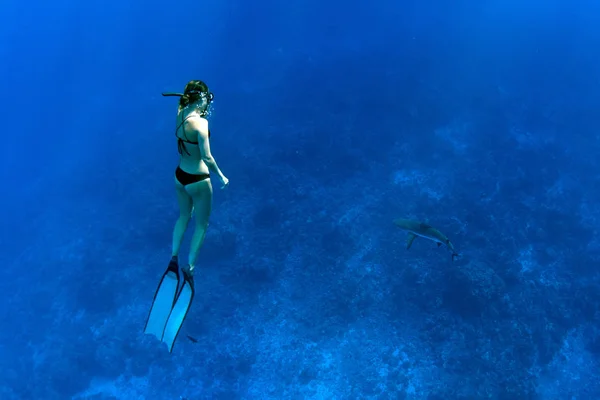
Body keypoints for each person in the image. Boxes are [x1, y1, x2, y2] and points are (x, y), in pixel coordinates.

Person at [144, 80, 229, 352]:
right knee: (202, 224)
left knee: (183, 217)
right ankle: (189, 269)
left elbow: (188, 112)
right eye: (207, 98)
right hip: (198, 178)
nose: (209, 103)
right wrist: (222, 177)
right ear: (201, 97)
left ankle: (172, 258)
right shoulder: (200, 124)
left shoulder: (180, 114)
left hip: (179, 176)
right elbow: (208, 156)